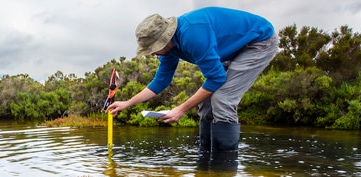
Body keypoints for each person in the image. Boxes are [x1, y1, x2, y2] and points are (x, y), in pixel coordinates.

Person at [106, 7, 278, 166]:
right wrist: (127, 103)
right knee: (207, 102)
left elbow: (216, 78)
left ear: (165, 39)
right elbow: (160, 81)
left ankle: (224, 169)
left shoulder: (193, 35)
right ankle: (205, 160)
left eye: (153, 48)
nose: (152, 53)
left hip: (258, 42)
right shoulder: (169, 49)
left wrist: (181, 109)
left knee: (222, 98)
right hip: (232, 49)